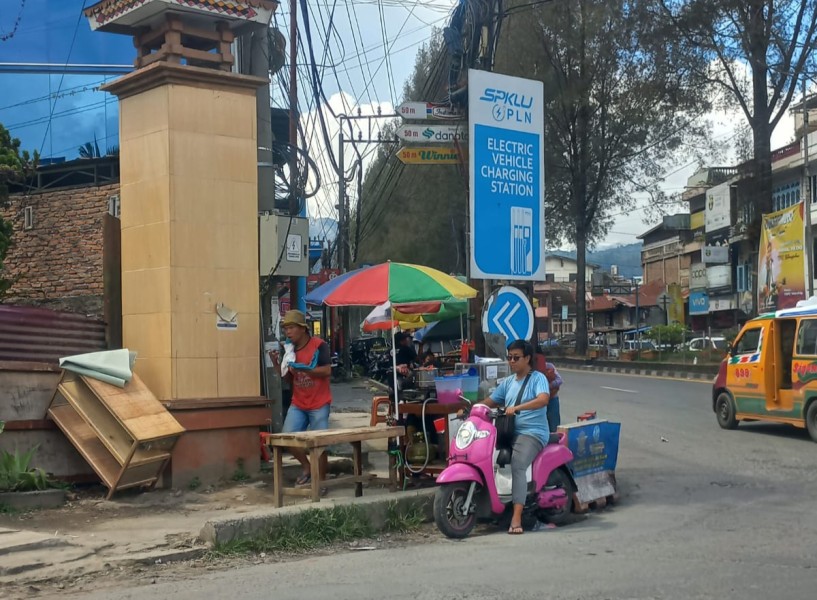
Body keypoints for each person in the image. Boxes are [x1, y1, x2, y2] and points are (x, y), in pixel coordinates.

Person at [478, 340, 550, 534]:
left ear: (527, 358)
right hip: (508, 432)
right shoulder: (508, 382)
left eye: (516, 358)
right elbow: (491, 401)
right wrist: (473, 408)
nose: (511, 361)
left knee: (518, 464)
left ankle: (516, 518)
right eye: (509, 357)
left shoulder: (538, 379)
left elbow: (543, 399)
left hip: (532, 433)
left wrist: (517, 408)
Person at [270, 310, 332, 487]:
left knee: (319, 444)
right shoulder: (289, 350)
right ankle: (307, 467)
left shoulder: (319, 345)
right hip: (298, 402)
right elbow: (288, 379)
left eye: (291, 328)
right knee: (288, 437)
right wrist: (276, 364)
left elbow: (327, 371)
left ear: (303, 329)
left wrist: (305, 369)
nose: (287, 332)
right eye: (285, 329)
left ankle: (321, 482)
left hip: (319, 402)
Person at [534, 348, 563, 432]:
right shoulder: (529, 369)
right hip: (538, 401)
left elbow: (560, 380)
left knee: (554, 424)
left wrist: (549, 385)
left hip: (552, 399)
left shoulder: (549, 366)